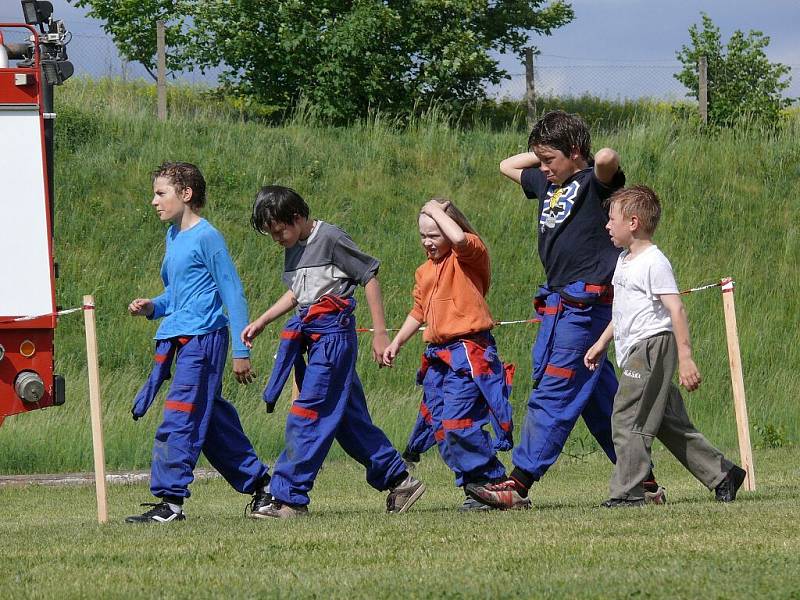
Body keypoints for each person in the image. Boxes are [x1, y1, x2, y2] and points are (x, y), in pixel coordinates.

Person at [467, 110, 664, 509]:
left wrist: (583, 158)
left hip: (585, 305)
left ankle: (518, 483)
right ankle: (643, 482)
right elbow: (507, 165)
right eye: (539, 161)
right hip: (559, 303)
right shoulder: (546, 180)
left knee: (555, 388)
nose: (542, 168)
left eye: (549, 160)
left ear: (575, 152)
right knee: (600, 399)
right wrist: (545, 153)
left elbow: (607, 157)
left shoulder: (595, 183)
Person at [242, 185, 425, 518]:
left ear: (296, 217)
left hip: (334, 338)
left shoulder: (330, 238)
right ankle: (400, 480)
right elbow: (299, 294)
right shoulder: (294, 246)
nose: (276, 239)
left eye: (279, 231)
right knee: (347, 421)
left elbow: (368, 275)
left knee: (308, 413)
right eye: (271, 234)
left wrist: (380, 334)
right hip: (315, 340)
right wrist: (263, 320)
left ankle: (289, 497)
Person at [126, 162, 271, 523]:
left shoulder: (208, 237)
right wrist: (152, 307)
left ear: (186, 194)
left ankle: (171, 504)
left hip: (204, 340)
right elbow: (177, 295)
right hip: (183, 339)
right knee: (212, 423)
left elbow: (232, 293)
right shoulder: (173, 237)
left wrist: (241, 350)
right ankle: (264, 489)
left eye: (161, 193)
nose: (154, 201)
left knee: (180, 417)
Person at [584, 185, 746, 506]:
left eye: (611, 219)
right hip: (634, 350)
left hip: (652, 346)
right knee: (666, 423)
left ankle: (629, 492)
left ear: (633, 222)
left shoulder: (654, 262)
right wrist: (602, 342)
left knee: (627, 417)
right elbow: (624, 311)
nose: (607, 225)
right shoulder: (624, 261)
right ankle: (723, 473)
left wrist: (686, 358)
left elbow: (676, 309)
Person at [382, 199, 516, 511]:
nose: (428, 243)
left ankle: (493, 484)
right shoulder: (424, 271)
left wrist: (436, 210)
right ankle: (474, 488)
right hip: (438, 357)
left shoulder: (470, 255)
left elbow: (458, 239)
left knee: (459, 422)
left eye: (434, 235)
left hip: (469, 354)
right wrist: (397, 342)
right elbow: (419, 311)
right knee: (442, 428)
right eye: (423, 236)